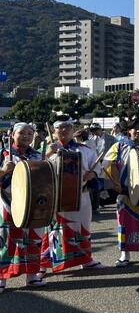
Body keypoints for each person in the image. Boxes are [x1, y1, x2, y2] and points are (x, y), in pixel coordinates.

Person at [41, 116, 104, 273]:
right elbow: (35, 169)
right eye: (59, 127)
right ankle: (44, 264)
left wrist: (93, 175)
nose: (63, 130)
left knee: (83, 227)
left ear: (74, 130)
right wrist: (48, 154)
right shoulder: (45, 149)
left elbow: (97, 167)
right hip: (56, 197)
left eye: (67, 127)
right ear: (54, 131)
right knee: (54, 230)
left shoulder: (85, 150)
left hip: (80, 195)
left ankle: (86, 259)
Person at [104, 117, 139, 266]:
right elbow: (108, 163)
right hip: (124, 192)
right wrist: (115, 183)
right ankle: (124, 254)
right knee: (124, 223)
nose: (138, 131)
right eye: (135, 128)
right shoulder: (119, 146)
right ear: (129, 131)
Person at [0, 123, 46, 291]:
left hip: (33, 203)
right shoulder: (2, 153)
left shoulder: (37, 155)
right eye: (22, 133)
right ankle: (2, 277)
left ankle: (32, 275)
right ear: (12, 134)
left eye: (29, 133)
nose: (26, 136)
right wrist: (4, 170)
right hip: (7, 201)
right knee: (6, 239)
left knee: (33, 238)